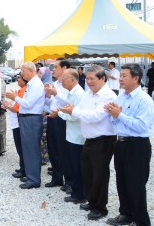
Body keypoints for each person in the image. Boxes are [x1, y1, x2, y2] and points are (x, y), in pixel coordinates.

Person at [58, 65, 116, 221]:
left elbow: (95, 116)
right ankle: (92, 201)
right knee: (88, 173)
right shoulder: (89, 94)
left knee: (100, 175)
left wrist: (74, 111)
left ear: (102, 79)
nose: (89, 82)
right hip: (89, 140)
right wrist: (74, 110)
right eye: (88, 78)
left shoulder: (108, 96)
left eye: (92, 79)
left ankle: (100, 208)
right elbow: (81, 110)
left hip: (103, 140)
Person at [104, 64, 154, 226]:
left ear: (136, 78)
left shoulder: (144, 100)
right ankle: (125, 213)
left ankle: (141, 219)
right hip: (121, 143)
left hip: (137, 145)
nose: (120, 78)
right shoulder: (121, 97)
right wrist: (113, 114)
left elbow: (142, 126)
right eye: (121, 75)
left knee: (136, 183)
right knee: (122, 180)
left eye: (124, 75)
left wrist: (119, 115)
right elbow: (115, 121)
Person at [5, 62, 45, 189]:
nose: (21, 74)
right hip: (27, 119)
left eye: (23, 71)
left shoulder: (37, 85)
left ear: (30, 70)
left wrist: (15, 97)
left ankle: (34, 179)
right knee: (27, 149)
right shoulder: (32, 84)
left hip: (32, 119)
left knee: (31, 149)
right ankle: (30, 176)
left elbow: (28, 104)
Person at [49, 69, 86, 204]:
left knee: (77, 166)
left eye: (64, 79)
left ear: (72, 79)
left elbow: (77, 116)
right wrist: (60, 113)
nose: (62, 81)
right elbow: (68, 111)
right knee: (72, 164)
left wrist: (61, 114)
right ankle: (76, 192)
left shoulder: (79, 94)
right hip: (71, 135)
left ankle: (80, 194)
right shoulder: (71, 93)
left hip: (77, 136)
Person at [44, 58, 73, 193]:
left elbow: (69, 104)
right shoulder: (54, 83)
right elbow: (52, 104)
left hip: (63, 118)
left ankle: (69, 181)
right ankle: (56, 177)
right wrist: (48, 96)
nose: (53, 69)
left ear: (64, 68)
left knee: (64, 150)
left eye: (56, 67)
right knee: (53, 148)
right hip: (52, 117)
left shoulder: (69, 86)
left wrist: (55, 94)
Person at [5, 75, 27, 179]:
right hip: (16, 122)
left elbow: (17, 109)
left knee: (21, 148)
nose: (17, 79)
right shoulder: (20, 90)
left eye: (19, 78)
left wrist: (8, 106)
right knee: (19, 148)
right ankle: (22, 167)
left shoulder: (23, 91)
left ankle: (24, 170)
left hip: (19, 123)